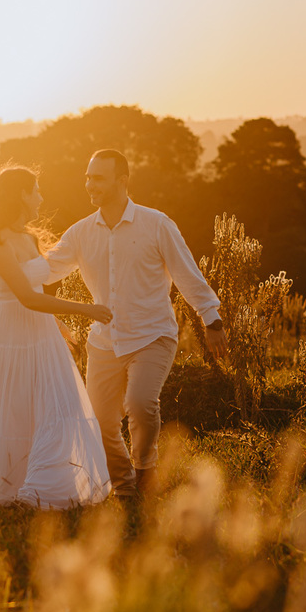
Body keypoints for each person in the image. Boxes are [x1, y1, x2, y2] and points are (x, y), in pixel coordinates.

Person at [46, 149, 227, 498]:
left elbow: (186, 274)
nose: (90, 185)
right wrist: (5, 270)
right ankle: (124, 487)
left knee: (141, 404)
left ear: (123, 181)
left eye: (98, 178)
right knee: (100, 422)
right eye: (88, 177)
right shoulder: (80, 233)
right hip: (104, 341)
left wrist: (212, 319)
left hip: (152, 334)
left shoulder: (156, 224)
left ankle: (145, 471)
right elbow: (47, 268)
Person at [0, 164, 114, 509]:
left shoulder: (29, 239)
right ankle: (20, 485)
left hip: (40, 328)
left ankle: (45, 480)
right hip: (9, 328)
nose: (41, 198)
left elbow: (37, 291)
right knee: (17, 405)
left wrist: (57, 324)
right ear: (21, 195)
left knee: (59, 403)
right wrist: (87, 309)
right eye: (36, 190)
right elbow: (26, 297)